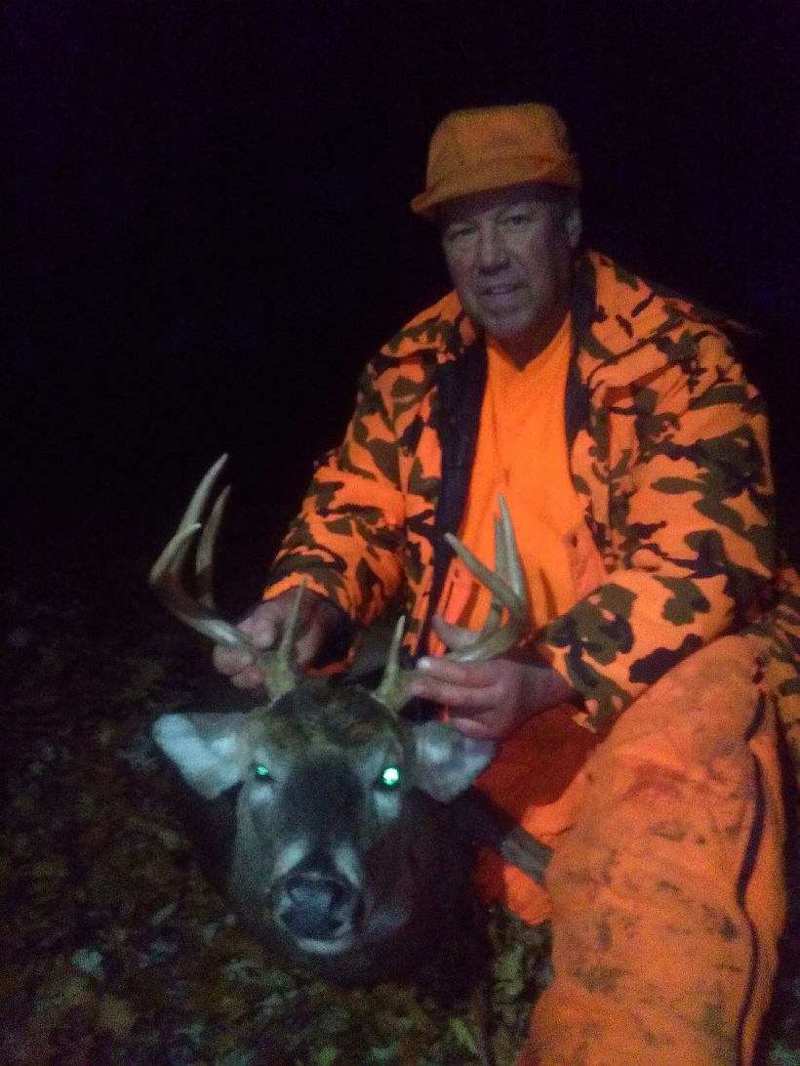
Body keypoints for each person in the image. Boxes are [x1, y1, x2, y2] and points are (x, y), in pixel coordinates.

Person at [214, 103, 800, 1065]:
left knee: (674, 826)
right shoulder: (416, 363)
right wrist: (310, 599)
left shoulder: (676, 357)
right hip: (480, 684)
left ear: (569, 225)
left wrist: (553, 672)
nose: (488, 257)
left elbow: (702, 561)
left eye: (515, 219)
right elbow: (359, 504)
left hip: (649, 675)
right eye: (461, 230)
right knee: (317, 746)